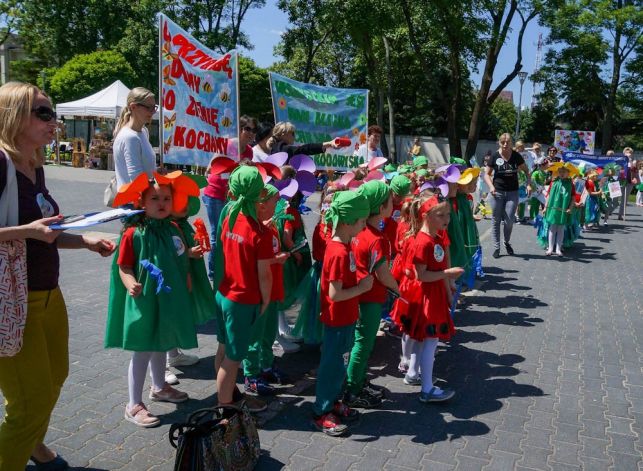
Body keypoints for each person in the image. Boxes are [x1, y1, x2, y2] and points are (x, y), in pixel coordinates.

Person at [0, 81, 115, 471]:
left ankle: (31, 442)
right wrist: (28, 232)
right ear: (14, 115)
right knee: (28, 402)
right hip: (11, 302)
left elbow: (46, 231)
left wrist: (84, 241)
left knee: (55, 380)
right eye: (44, 113)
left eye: (54, 114)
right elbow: (35, 230)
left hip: (49, 295)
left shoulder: (34, 165)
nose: (54, 122)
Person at [105, 174, 203, 427]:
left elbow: (178, 255)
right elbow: (123, 266)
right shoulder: (133, 234)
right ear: (142, 202)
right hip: (145, 299)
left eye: (167, 199)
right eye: (155, 198)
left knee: (162, 343)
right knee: (143, 349)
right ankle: (133, 404)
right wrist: (130, 284)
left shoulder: (174, 228)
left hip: (167, 299)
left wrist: (192, 253)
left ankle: (159, 387)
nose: (162, 203)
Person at [313, 190, 372, 436]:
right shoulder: (337, 251)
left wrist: (355, 304)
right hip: (336, 319)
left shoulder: (346, 246)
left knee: (340, 364)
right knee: (332, 365)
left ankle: (334, 401)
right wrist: (362, 288)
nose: (364, 226)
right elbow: (334, 294)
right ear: (348, 222)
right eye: (361, 222)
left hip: (346, 317)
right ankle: (321, 411)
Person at [215, 166, 274, 407]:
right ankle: (226, 408)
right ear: (259, 195)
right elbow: (265, 276)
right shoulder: (260, 232)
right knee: (233, 359)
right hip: (242, 300)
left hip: (223, 294)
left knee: (222, 348)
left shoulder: (230, 216)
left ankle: (227, 394)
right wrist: (266, 300)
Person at [344, 181, 399, 409]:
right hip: (369, 299)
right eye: (389, 199)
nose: (392, 202)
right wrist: (398, 289)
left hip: (358, 296)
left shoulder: (358, 229)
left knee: (360, 342)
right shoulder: (376, 238)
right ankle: (353, 390)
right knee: (363, 344)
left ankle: (356, 381)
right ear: (381, 206)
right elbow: (383, 273)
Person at [404, 192, 463, 402]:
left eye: (447, 214)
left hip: (434, 294)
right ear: (426, 216)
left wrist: (448, 289)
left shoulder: (434, 238)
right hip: (427, 297)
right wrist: (448, 275)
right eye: (440, 215)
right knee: (430, 341)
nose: (446, 219)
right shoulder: (423, 242)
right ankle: (427, 388)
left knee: (425, 340)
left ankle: (415, 374)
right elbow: (422, 275)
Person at [202, 115, 257, 279]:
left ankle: (226, 267)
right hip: (216, 192)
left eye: (254, 130)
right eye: (248, 129)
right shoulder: (228, 144)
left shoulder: (249, 151)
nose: (251, 133)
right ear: (239, 129)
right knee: (216, 233)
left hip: (232, 195)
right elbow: (211, 166)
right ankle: (213, 273)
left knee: (229, 231)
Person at [482, 133, 532, 258]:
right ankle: (496, 247)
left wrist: (529, 184)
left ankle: (506, 242)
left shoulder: (516, 156)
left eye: (508, 142)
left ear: (512, 143)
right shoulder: (494, 156)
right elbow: (486, 174)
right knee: (496, 220)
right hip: (497, 192)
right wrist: (491, 187)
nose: (505, 144)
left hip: (512, 192)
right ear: (499, 142)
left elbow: (527, 171)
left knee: (509, 220)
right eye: (502, 142)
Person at [113, 87, 159, 187]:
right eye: (148, 107)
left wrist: (157, 172)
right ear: (133, 107)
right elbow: (136, 178)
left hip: (140, 199)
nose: (152, 112)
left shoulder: (143, 131)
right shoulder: (130, 137)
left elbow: (145, 169)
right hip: (133, 201)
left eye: (154, 107)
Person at [541, 163, 577, 256]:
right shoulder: (554, 182)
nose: (561, 173)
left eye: (564, 172)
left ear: (568, 173)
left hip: (564, 209)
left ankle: (558, 248)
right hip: (553, 208)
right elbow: (548, 196)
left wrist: (570, 207)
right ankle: (550, 248)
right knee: (552, 228)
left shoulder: (571, 184)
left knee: (561, 228)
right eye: (560, 172)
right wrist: (545, 207)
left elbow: (573, 197)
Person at [267, 121, 338, 160]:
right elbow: (304, 149)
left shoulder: (276, 148)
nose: (294, 136)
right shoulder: (283, 149)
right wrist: (329, 143)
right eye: (292, 133)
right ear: (284, 134)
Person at [618, 147, 638, 220]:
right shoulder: (621, 160)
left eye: (630, 152)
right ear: (624, 153)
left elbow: (634, 169)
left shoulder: (634, 161)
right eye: (627, 152)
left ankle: (621, 214)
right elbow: (618, 169)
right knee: (616, 197)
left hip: (629, 181)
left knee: (624, 198)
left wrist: (630, 160)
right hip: (621, 180)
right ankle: (608, 211)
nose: (628, 153)